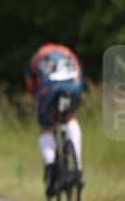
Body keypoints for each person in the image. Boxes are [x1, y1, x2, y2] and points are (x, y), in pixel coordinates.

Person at [24, 43, 84, 193]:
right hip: (73, 87)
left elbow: (32, 86)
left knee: (46, 129)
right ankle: (77, 166)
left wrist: (37, 105)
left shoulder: (36, 59)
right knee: (70, 119)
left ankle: (51, 167)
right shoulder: (68, 52)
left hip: (49, 90)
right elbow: (79, 74)